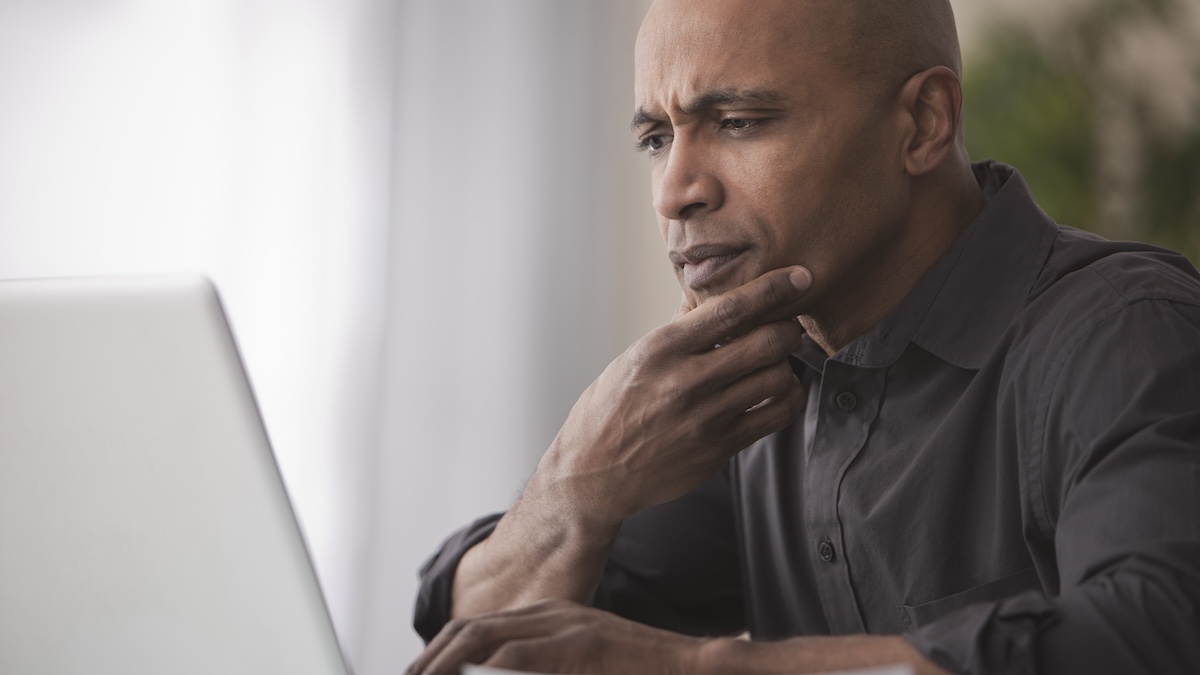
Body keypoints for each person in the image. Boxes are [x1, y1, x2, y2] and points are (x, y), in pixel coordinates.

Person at [407, 0, 1200, 673]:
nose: (677, 191)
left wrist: (702, 665)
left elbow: (1157, 629)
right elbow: (481, 635)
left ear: (923, 124)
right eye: (657, 138)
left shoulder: (1125, 333)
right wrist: (575, 485)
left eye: (739, 121)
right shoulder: (761, 384)